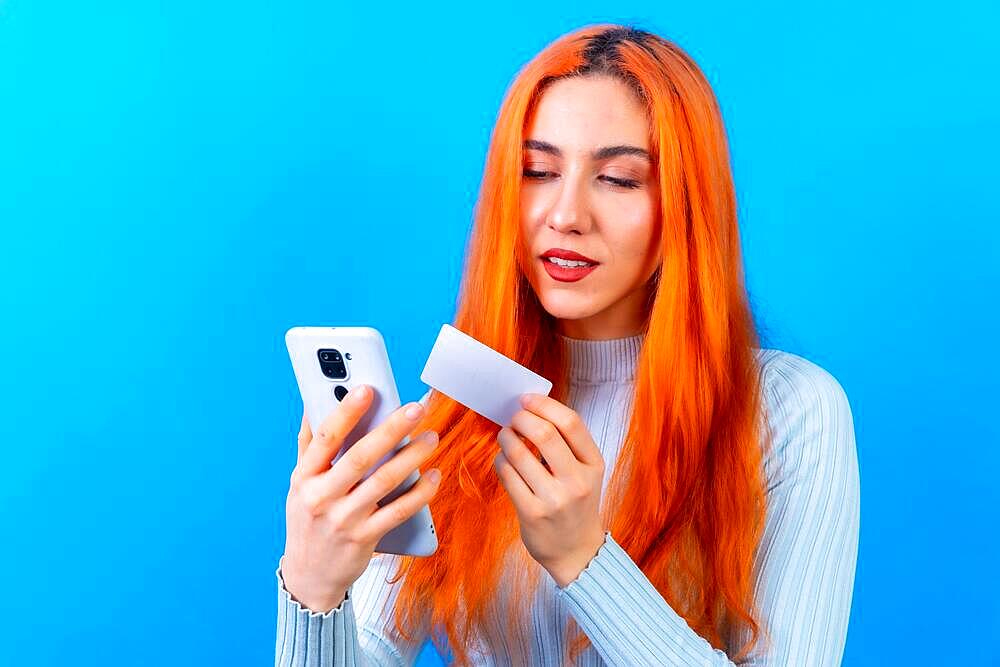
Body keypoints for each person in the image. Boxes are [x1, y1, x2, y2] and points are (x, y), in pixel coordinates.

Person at [275, 23, 860, 667]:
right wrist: (313, 589)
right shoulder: (461, 412)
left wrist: (586, 560)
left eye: (617, 178)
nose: (566, 214)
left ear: (686, 206)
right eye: (537, 171)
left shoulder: (791, 412)